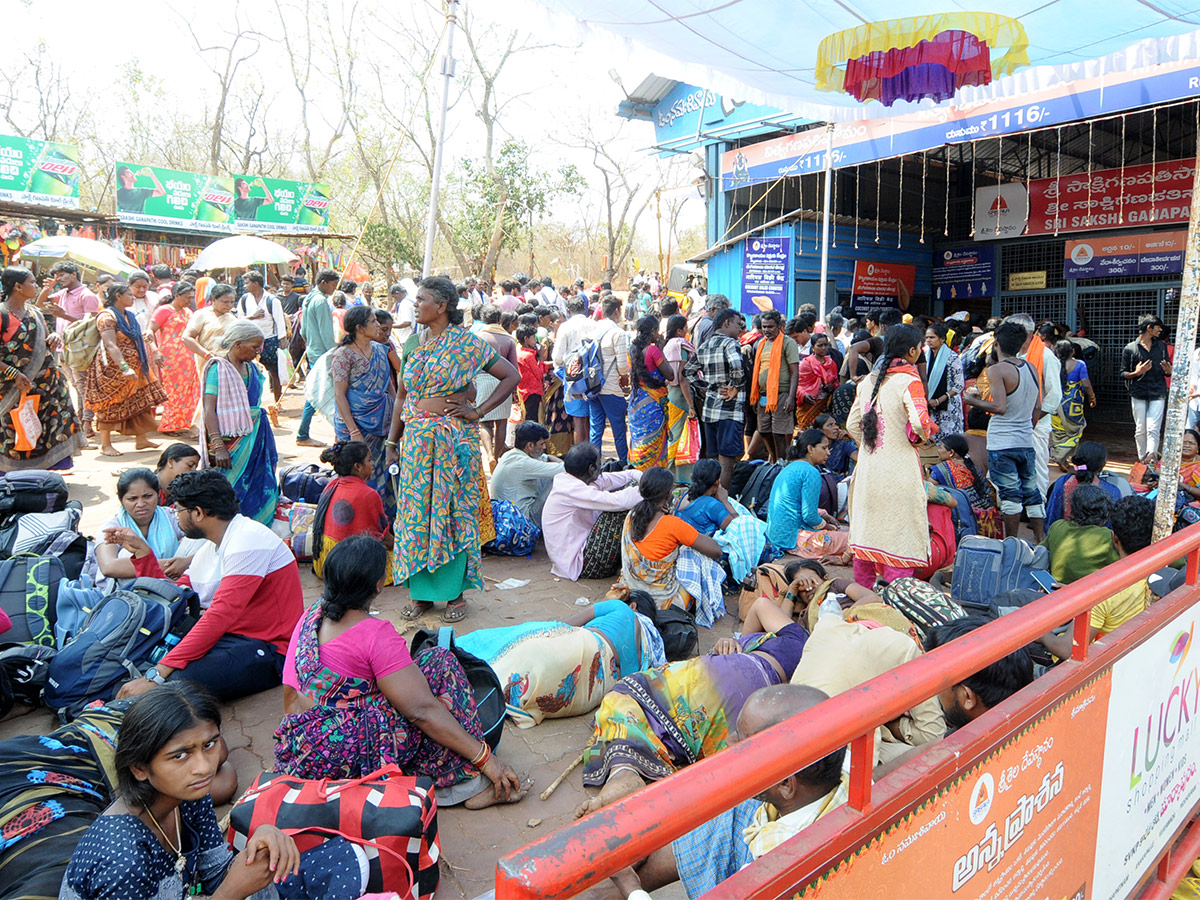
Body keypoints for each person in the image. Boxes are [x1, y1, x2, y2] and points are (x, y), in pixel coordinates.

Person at [275, 536, 529, 808]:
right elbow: (422, 712)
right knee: (439, 665)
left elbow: (291, 693)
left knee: (408, 687)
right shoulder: (375, 634)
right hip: (346, 756)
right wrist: (488, 761)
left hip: (302, 749)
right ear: (377, 585)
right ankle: (466, 785)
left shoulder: (311, 616)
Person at [63, 682, 364, 900]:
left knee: (346, 857)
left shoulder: (185, 797)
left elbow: (215, 871)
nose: (204, 767)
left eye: (209, 745)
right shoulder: (123, 861)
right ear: (139, 767)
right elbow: (224, 887)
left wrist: (258, 841)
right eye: (180, 755)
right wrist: (230, 893)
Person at [577, 594, 808, 817]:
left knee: (626, 691)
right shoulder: (805, 669)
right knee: (680, 736)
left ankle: (623, 772)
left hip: (725, 674)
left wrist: (738, 641)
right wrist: (732, 642)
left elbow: (760, 604)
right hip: (744, 716)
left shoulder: (796, 636)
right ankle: (630, 775)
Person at [612, 684, 846, 900]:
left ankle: (616, 885)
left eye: (744, 742)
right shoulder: (836, 785)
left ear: (785, 784)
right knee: (730, 802)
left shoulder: (771, 874)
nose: (728, 742)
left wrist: (631, 888)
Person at [384, 276, 520, 623]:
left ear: (441, 306)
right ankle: (421, 595)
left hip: (452, 444)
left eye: (422, 299)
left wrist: (478, 411)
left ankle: (454, 593)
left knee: (452, 514)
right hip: (415, 442)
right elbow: (402, 396)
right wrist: (391, 442)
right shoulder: (413, 343)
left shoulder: (467, 344)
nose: (415, 305)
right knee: (417, 516)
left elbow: (511, 377)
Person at [108, 469, 302, 701]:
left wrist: (157, 674)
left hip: (270, 648)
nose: (176, 517)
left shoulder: (248, 541)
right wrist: (142, 554)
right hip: (230, 636)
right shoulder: (213, 545)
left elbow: (220, 614)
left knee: (169, 687)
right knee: (139, 659)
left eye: (178, 510)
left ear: (198, 513)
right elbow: (177, 598)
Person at [457, 588, 668, 729]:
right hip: (591, 695)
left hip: (583, 646)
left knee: (522, 638)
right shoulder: (647, 654)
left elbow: (565, 624)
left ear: (633, 605)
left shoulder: (621, 609)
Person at [846, 324, 938, 587]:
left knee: (867, 534)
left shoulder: (868, 382)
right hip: (899, 473)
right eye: (920, 346)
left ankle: (863, 602)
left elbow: (853, 425)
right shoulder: (909, 380)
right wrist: (920, 438)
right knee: (899, 536)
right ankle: (895, 602)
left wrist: (873, 446)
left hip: (867, 473)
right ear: (912, 351)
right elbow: (921, 423)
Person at [1039, 495, 1154, 658]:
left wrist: (1042, 636)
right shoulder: (1161, 569)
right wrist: (1080, 593)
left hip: (1099, 663)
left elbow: (1067, 650)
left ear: (1115, 539)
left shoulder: (1104, 589)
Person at [963, 321, 1046, 542]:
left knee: (1009, 496)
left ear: (996, 343)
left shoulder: (997, 370)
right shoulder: (1030, 367)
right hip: (1025, 440)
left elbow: (999, 407)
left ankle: (1011, 543)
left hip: (1002, 443)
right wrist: (1027, 427)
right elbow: (1037, 406)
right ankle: (1040, 540)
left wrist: (972, 400)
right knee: (1032, 492)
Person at [0, 265, 85, 471]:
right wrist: (14, 373)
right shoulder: (2, 314)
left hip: (46, 385)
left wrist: (53, 337)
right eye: (31, 282)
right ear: (18, 287)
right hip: (14, 387)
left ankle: (42, 472)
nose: (36, 286)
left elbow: (43, 339)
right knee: (13, 428)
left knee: (45, 425)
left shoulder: (34, 312)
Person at [620, 466, 726, 626]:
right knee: (694, 557)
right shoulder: (672, 524)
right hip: (662, 602)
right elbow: (716, 551)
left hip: (632, 592)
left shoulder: (632, 515)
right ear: (668, 494)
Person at [197, 321, 279, 525]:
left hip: (256, 436)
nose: (257, 352)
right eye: (254, 347)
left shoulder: (252, 369)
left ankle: (258, 526)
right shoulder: (218, 369)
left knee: (259, 483)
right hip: (229, 442)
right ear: (237, 344)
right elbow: (209, 409)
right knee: (230, 490)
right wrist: (218, 445)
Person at [86, 281, 168, 458]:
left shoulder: (129, 316)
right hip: (113, 370)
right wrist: (124, 367)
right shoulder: (106, 317)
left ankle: (141, 439)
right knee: (109, 404)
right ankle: (106, 445)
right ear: (118, 296)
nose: (132, 297)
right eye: (129, 295)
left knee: (140, 400)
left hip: (136, 367)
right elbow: (110, 344)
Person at [330, 305, 396, 519]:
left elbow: (390, 386)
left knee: (385, 471)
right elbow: (340, 395)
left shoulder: (380, 350)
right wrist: (353, 431)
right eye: (373, 321)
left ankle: (382, 519)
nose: (378, 326)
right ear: (359, 328)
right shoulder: (343, 356)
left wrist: (396, 412)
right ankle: (356, 519)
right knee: (356, 472)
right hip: (356, 425)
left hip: (382, 423)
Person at [543, 442, 643, 581]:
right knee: (618, 509)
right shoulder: (570, 489)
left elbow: (625, 476)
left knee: (631, 488)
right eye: (599, 463)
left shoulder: (582, 479)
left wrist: (642, 477)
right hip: (578, 564)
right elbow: (618, 502)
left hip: (581, 549)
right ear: (591, 468)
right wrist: (652, 487)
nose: (601, 468)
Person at [96, 468, 193, 590]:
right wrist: (171, 565)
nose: (141, 504)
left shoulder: (171, 516)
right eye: (133, 499)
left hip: (171, 580)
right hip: (130, 593)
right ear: (121, 500)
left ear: (158, 494)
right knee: (127, 553)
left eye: (147, 496)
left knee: (196, 540)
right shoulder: (112, 527)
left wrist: (187, 561)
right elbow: (108, 566)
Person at [677, 458, 769, 585]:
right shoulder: (711, 504)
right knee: (753, 527)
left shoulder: (684, 497)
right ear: (717, 482)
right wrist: (725, 501)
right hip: (705, 553)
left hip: (688, 549)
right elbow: (738, 525)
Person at [312, 441, 393, 578]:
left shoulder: (332, 485)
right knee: (402, 562)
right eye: (369, 460)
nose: (372, 463)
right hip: (349, 568)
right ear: (357, 467)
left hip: (325, 564)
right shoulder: (369, 494)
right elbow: (385, 537)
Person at [37, 260, 99, 438]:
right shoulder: (63, 293)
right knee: (76, 385)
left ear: (74, 274)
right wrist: (48, 288)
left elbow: (91, 324)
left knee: (83, 387)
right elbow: (40, 303)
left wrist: (64, 315)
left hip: (80, 348)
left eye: (62, 275)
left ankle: (86, 424)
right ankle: (83, 422)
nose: (58, 278)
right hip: (63, 347)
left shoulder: (87, 295)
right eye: (56, 276)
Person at [768, 428, 847, 560]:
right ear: (810, 449)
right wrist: (828, 527)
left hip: (776, 537)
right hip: (795, 540)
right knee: (855, 540)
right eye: (824, 448)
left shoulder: (790, 468)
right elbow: (809, 516)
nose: (828, 453)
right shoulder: (811, 472)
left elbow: (796, 506)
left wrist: (823, 515)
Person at [690, 308, 746, 488]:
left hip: (709, 410)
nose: (741, 328)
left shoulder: (704, 345)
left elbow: (688, 372)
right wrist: (736, 387)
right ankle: (723, 498)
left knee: (713, 457)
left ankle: (711, 496)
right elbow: (737, 365)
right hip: (729, 411)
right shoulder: (730, 343)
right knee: (727, 460)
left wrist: (705, 389)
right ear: (727, 323)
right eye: (738, 324)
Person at [148, 281, 200, 435]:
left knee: (191, 391)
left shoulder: (188, 312)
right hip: (171, 358)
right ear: (176, 296)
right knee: (174, 391)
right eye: (186, 297)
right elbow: (149, 333)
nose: (189, 301)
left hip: (190, 357)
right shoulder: (163, 311)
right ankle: (170, 424)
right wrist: (155, 351)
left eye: (191, 298)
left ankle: (187, 423)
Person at [488, 421, 563, 529]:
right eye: (541, 444)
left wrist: (552, 459)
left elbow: (546, 458)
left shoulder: (510, 455)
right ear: (530, 445)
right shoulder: (523, 463)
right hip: (523, 522)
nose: (544, 447)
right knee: (560, 478)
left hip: (507, 517)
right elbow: (565, 469)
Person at [749, 310, 799, 463]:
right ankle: (775, 459)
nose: (767, 330)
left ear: (779, 326)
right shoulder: (760, 343)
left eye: (770, 327)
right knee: (764, 431)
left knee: (778, 434)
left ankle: (780, 463)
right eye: (764, 327)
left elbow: (795, 372)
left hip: (781, 394)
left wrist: (791, 398)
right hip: (764, 395)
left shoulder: (787, 343)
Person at [929, 433, 1002, 538]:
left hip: (964, 519)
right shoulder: (973, 466)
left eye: (940, 447)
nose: (938, 450)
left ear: (951, 453)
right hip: (984, 519)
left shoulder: (942, 469)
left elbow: (929, 489)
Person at [1043, 484, 1118, 584]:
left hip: (1053, 587)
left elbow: (1042, 550)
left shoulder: (1057, 526)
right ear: (1105, 515)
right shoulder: (1107, 537)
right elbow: (1120, 566)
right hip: (1084, 594)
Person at [297, 268, 339, 447]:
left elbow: (303, 330)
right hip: (323, 353)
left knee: (315, 392)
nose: (334, 289)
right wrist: (334, 352)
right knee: (319, 393)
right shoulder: (321, 301)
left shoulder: (309, 298)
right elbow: (326, 332)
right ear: (323, 283)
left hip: (313, 349)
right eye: (332, 285)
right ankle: (302, 434)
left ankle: (303, 433)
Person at [1122, 313, 1171, 463]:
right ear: (1149, 328)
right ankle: (1142, 459)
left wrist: (1169, 371)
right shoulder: (1130, 348)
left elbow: (1166, 371)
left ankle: (1151, 460)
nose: (1160, 330)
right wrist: (1137, 373)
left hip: (1158, 392)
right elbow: (1123, 373)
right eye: (1158, 327)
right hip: (1138, 392)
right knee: (1140, 429)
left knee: (1153, 428)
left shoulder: (1161, 346)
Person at [590, 296, 633, 464]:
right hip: (611, 387)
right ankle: (623, 462)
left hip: (593, 386)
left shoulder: (594, 329)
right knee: (619, 429)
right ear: (616, 311)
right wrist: (625, 381)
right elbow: (623, 366)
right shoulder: (618, 333)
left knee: (596, 428)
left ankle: (594, 464)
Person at [628, 316, 674, 471]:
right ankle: (656, 478)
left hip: (637, 402)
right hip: (654, 404)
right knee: (655, 444)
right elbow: (670, 375)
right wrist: (662, 350)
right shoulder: (653, 350)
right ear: (654, 331)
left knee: (639, 441)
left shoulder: (631, 350)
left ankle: (637, 474)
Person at [237, 271, 288, 402]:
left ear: (256, 284)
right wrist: (252, 316)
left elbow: (279, 321)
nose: (245, 286)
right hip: (249, 340)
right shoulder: (244, 300)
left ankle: (277, 402)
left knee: (275, 372)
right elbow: (239, 319)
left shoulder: (272, 300)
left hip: (269, 339)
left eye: (247, 283)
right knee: (248, 371)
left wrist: (282, 340)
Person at [1045, 440, 1121, 526]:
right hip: (1098, 539)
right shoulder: (1113, 491)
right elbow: (1111, 527)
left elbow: (1051, 518)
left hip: (1063, 537)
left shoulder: (1063, 482)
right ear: (1102, 465)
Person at [552, 294, 594, 446]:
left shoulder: (565, 327)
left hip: (573, 377)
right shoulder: (593, 324)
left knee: (578, 420)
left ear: (568, 310)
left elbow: (557, 356)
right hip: (593, 377)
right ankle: (591, 453)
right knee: (591, 419)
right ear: (585, 309)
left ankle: (580, 456)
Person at [663, 314, 699, 480]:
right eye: (685, 328)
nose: (687, 331)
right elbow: (682, 377)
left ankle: (670, 474)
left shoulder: (667, 345)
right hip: (680, 396)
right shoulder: (681, 346)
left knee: (673, 435)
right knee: (680, 437)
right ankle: (676, 476)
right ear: (679, 330)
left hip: (670, 394)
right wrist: (691, 405)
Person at [1050, 338, 1095, 469]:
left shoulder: (1054, 364)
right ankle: (1062, 458)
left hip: (1056, 405)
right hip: (1073, 406)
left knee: (1058, 431)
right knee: (1076, 430)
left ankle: (1059, 456)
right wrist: (1092, 397)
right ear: (1073, 351)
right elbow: (1086, 385)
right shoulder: (1080, 364)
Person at [179, 283, 236, 373]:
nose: (229, 305)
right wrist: (208, 355)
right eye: (225, 302)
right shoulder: (202, 315)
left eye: (232, 302)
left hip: (229, 363)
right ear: (214, 300)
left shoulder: (231, 317)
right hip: (208, 362)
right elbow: (186, 338)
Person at [924, 322, 964, 436]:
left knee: (948, 441)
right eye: (927, 337)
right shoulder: (925, 356)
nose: (928, 340)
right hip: (930, 406)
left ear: (942, 339)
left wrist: (939, 400)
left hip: (948, 406)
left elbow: (959, 385)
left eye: (932, 337)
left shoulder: (952, 357)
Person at [794, 332, 839, 432]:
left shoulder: (831, 363)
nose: (823, 348)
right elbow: (798, 384)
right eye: (820, 345)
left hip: (825, 404)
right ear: (813, 347)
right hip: (809, 405)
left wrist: (832, 386)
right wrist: (804, 395)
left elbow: (836, 382)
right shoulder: (805, 364)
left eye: (825, 345)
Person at [515, 323, 550, 423]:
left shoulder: (520, 353)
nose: (535, 340)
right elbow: (539, 374)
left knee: (529, 416)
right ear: (526, 339)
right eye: (533, 337)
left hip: (525, 390)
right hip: (532, 391)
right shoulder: (528, 356)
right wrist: (541, 357)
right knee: (532, 418)